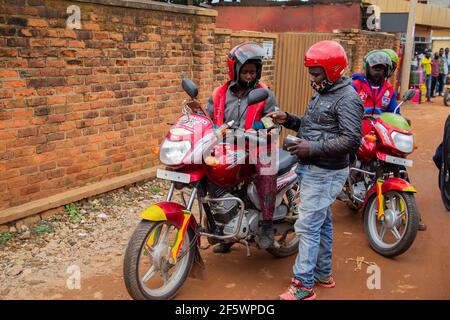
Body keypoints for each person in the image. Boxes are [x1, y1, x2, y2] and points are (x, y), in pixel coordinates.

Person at [268, 40, 364, 300]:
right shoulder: (325, 91)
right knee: (321, 223)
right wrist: (288, 119)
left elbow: (351, 140)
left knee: (308, 226)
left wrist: (311, 149)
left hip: (326, 171)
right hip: (315, 168)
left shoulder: (347, 98)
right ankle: (322, 273)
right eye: (310, 72)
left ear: (332, 70)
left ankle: (303, 285)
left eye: (316, 73)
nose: (311, 78)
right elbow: (314, 126)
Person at [204, 41, 279, 253]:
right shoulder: (219, 94)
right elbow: (208, 118)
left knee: (267, 167)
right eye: (245, 71)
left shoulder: (264, 93)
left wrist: (260, 128)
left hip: (255, 148)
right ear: (234, 71)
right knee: (211, 176)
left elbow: (272, 119)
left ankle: (266, 225)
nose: (249, 76)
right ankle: (226, 230)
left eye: (253, 72)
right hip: (226, 148)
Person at [351, 50, 398, 115]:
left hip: (380, 124)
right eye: (374, 66)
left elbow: (394, 113)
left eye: (381, 67)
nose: (377, 69)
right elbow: (345, 109)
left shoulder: (389, 90)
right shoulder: (355, 85)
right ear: (367, 68)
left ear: (386, 71)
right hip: (357, 124)